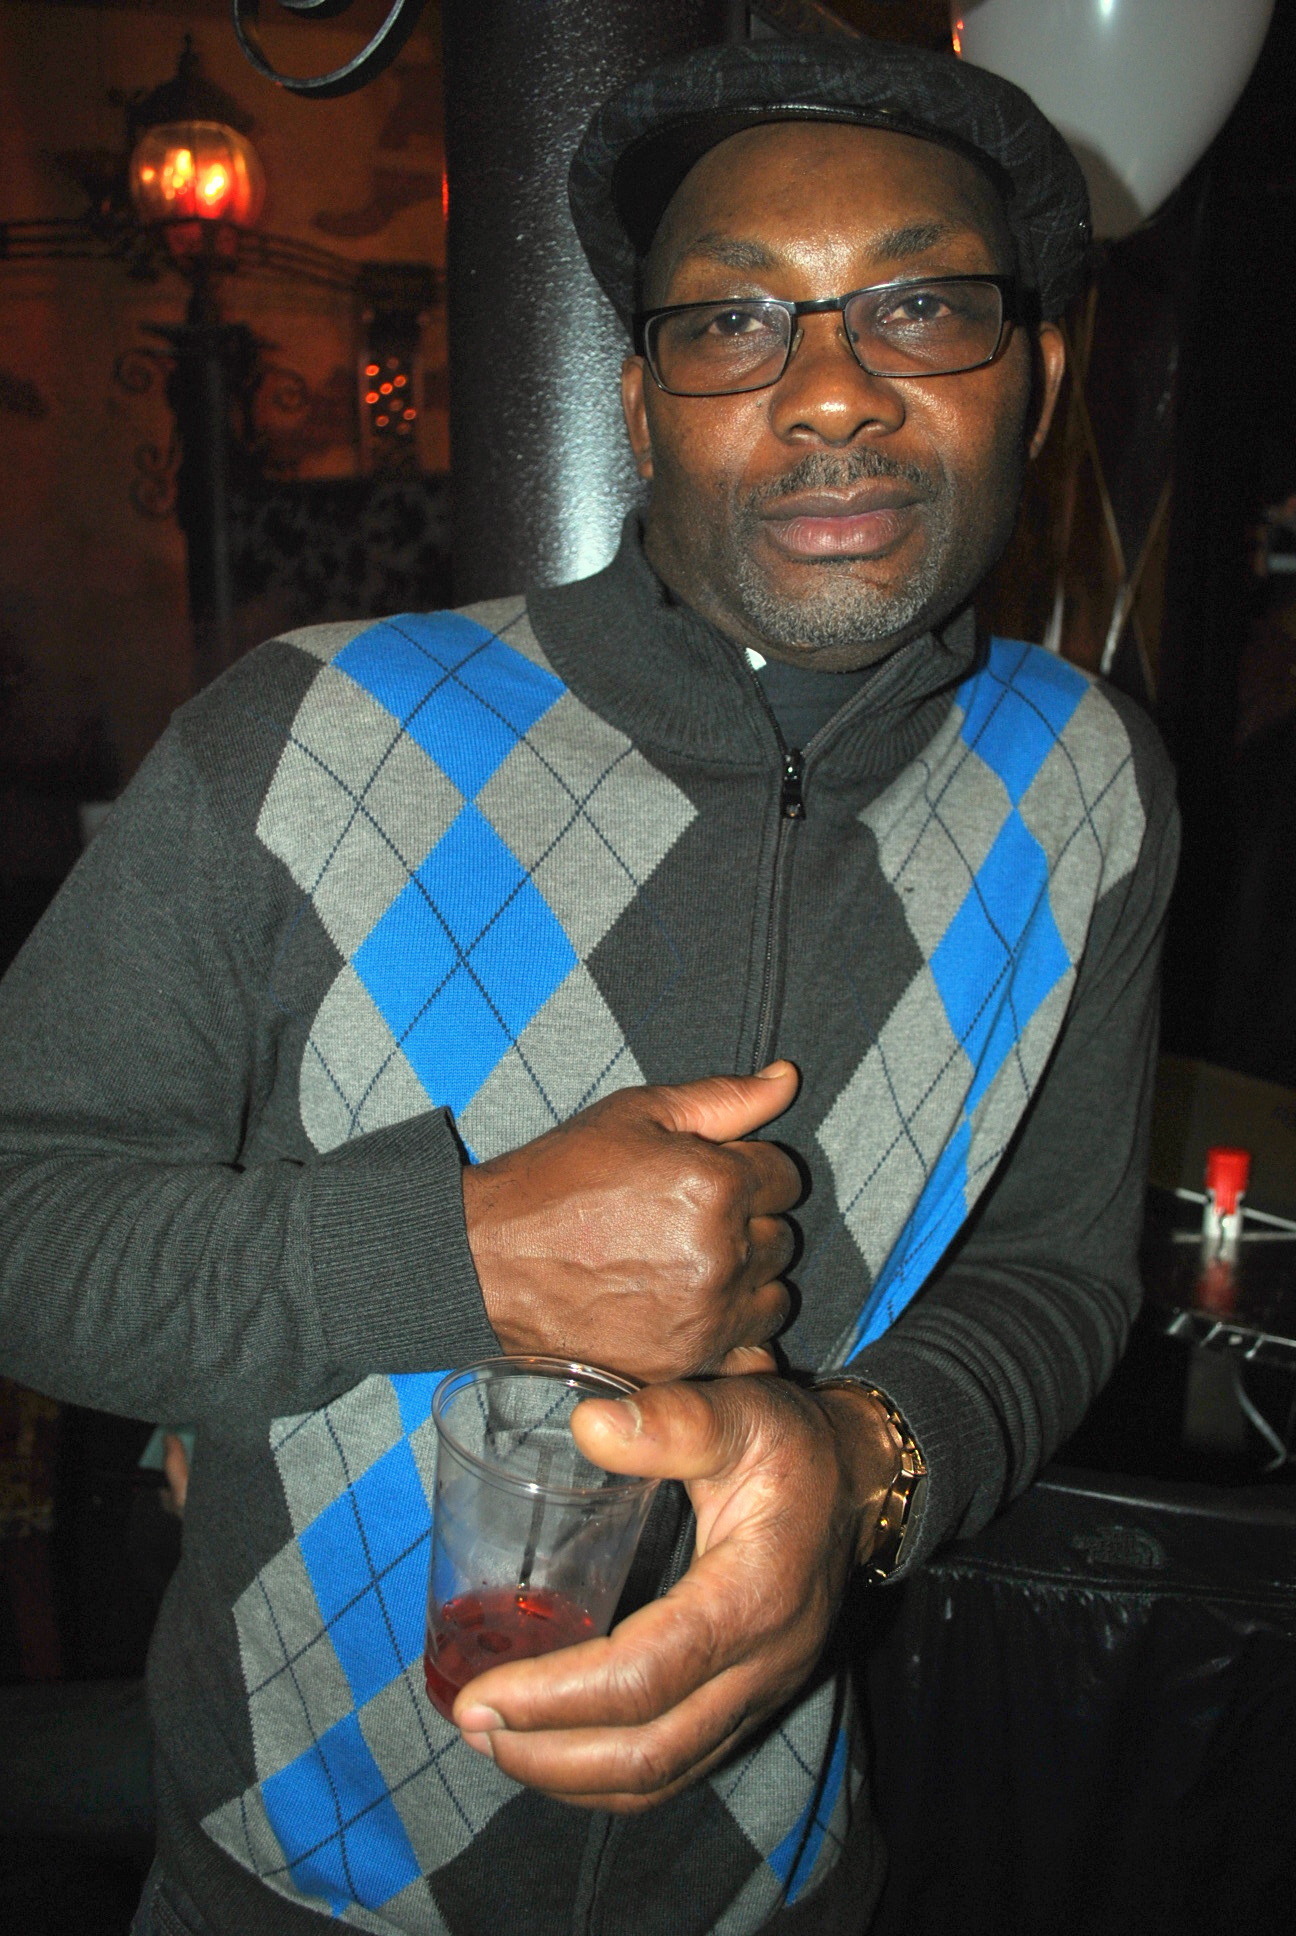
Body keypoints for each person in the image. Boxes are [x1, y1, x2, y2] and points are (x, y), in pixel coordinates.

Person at [0, 34, 1178, 1936]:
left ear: (1033, 380)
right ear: (639, 404)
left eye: (920, 307)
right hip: (293, 1882)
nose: (830, 392)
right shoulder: (303, 740)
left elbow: (1055, 1273)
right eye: (730, 322)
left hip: (780, 1884)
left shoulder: (1092, 787)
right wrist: (456, 1254)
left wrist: (862, 1465)